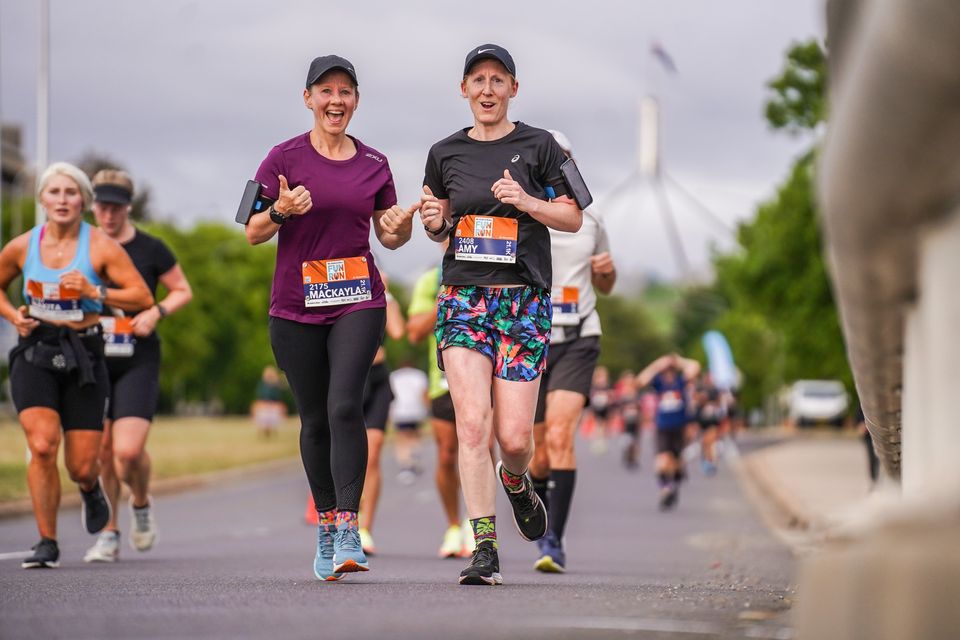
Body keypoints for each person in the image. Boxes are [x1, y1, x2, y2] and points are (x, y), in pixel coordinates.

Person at [246, 55, 419, 581]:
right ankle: (325, 524)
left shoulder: (375, 163)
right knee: (315, 417)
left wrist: (399, 227)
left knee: (346, 405)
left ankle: (349, 526)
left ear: (356, 101)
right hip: (295, 307)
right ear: (308, 99)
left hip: (356, 298)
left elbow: (388, 235)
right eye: (326, 91)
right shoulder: (282, 158)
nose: (336, 100)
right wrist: (281, 211)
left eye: (346, 92)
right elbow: (252, 231)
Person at [419, 44, 583, 585]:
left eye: (497, 80)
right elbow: (441, 228)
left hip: (523, 300)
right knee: (472, 424)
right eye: (477, 80)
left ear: (514, 88)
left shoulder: (542, 147)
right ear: (462, 90)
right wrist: (435, 221)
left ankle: (517, 481)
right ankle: (483, 549)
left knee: (514, 439)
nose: (487, 90)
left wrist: (527, 201)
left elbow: (574, 217)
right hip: (465, 297)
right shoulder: (444, 153)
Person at [0, 162, 152, 568]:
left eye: (71, 193)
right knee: (42, 445)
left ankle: (89, 488)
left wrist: (94, 290)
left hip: (84, 354)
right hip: (36, 351)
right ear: (43, 199)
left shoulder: (101, 246)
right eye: (55, 192)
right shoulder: (23, 245)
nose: (63, 200)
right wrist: (13, 316)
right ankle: (46, 541)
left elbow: (141, 297)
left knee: (83, 465)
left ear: (83, 201)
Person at [84, 169, 193, 563]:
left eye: (116, 207)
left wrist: (157, 311)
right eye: (102, 206)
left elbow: (183, 290)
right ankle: (110, 533)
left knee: (126, 452)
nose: (108, 215)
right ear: (92, 205)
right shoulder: (82, 246)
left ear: (128, 207)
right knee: (101, 450)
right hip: (92, 355)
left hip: (137, 355)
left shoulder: (151, 248)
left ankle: (141, 503)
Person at [527, 129, 616, 573]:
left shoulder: (592, 217)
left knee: (562, 437)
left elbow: (606, 283)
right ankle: (542, 526)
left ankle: (553, 543)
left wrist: (607, 272)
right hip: (532, 337)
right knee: (537, 452)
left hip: (579, 334)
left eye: (563, 157)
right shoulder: (523, 210)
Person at [407, 243, 476, 559]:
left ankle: (475, 525)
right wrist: (446, 296)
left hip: (481, 375)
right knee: (448, 454)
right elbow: (414, 332)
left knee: (480, 448)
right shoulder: (430, 280)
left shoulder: (487, 273)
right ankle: (452, 526)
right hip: (443, 380)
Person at [357, 273, 405, 556]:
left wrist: (386, 294)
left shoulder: (380, 288)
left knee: (372, 454)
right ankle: (343, 518)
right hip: (350, 377)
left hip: (377, 378)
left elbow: (397, 331)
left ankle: (366, 528)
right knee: (344, 449)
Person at [636, 353, 701, 510]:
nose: (668, 374)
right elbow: (640, 381)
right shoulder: (659, 383)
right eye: (666, 371)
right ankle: (665, 488)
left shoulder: (681, 382)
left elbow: (695, 366)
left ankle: (674, 484)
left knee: (676, 461)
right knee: (662, 459)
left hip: (680, 427)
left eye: (671, 371)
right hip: (662, 426)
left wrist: (679, 361)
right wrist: (658, 363)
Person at [389, 359, 428, 485]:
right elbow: (424, 394)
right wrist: (426, 410)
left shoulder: (394, 376)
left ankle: (406, 463)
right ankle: (414, 454)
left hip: (399, 410)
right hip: (416, 409)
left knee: (402, 438)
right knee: (414, 434)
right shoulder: (419, 375)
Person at [251, 366, 287, 438]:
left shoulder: (277, 385)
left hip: (274, 405)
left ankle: (270, 427)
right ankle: (263, 427)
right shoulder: (262, 384)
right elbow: (260, 397)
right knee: (258, 408)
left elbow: (278, 398)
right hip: (264, 405)